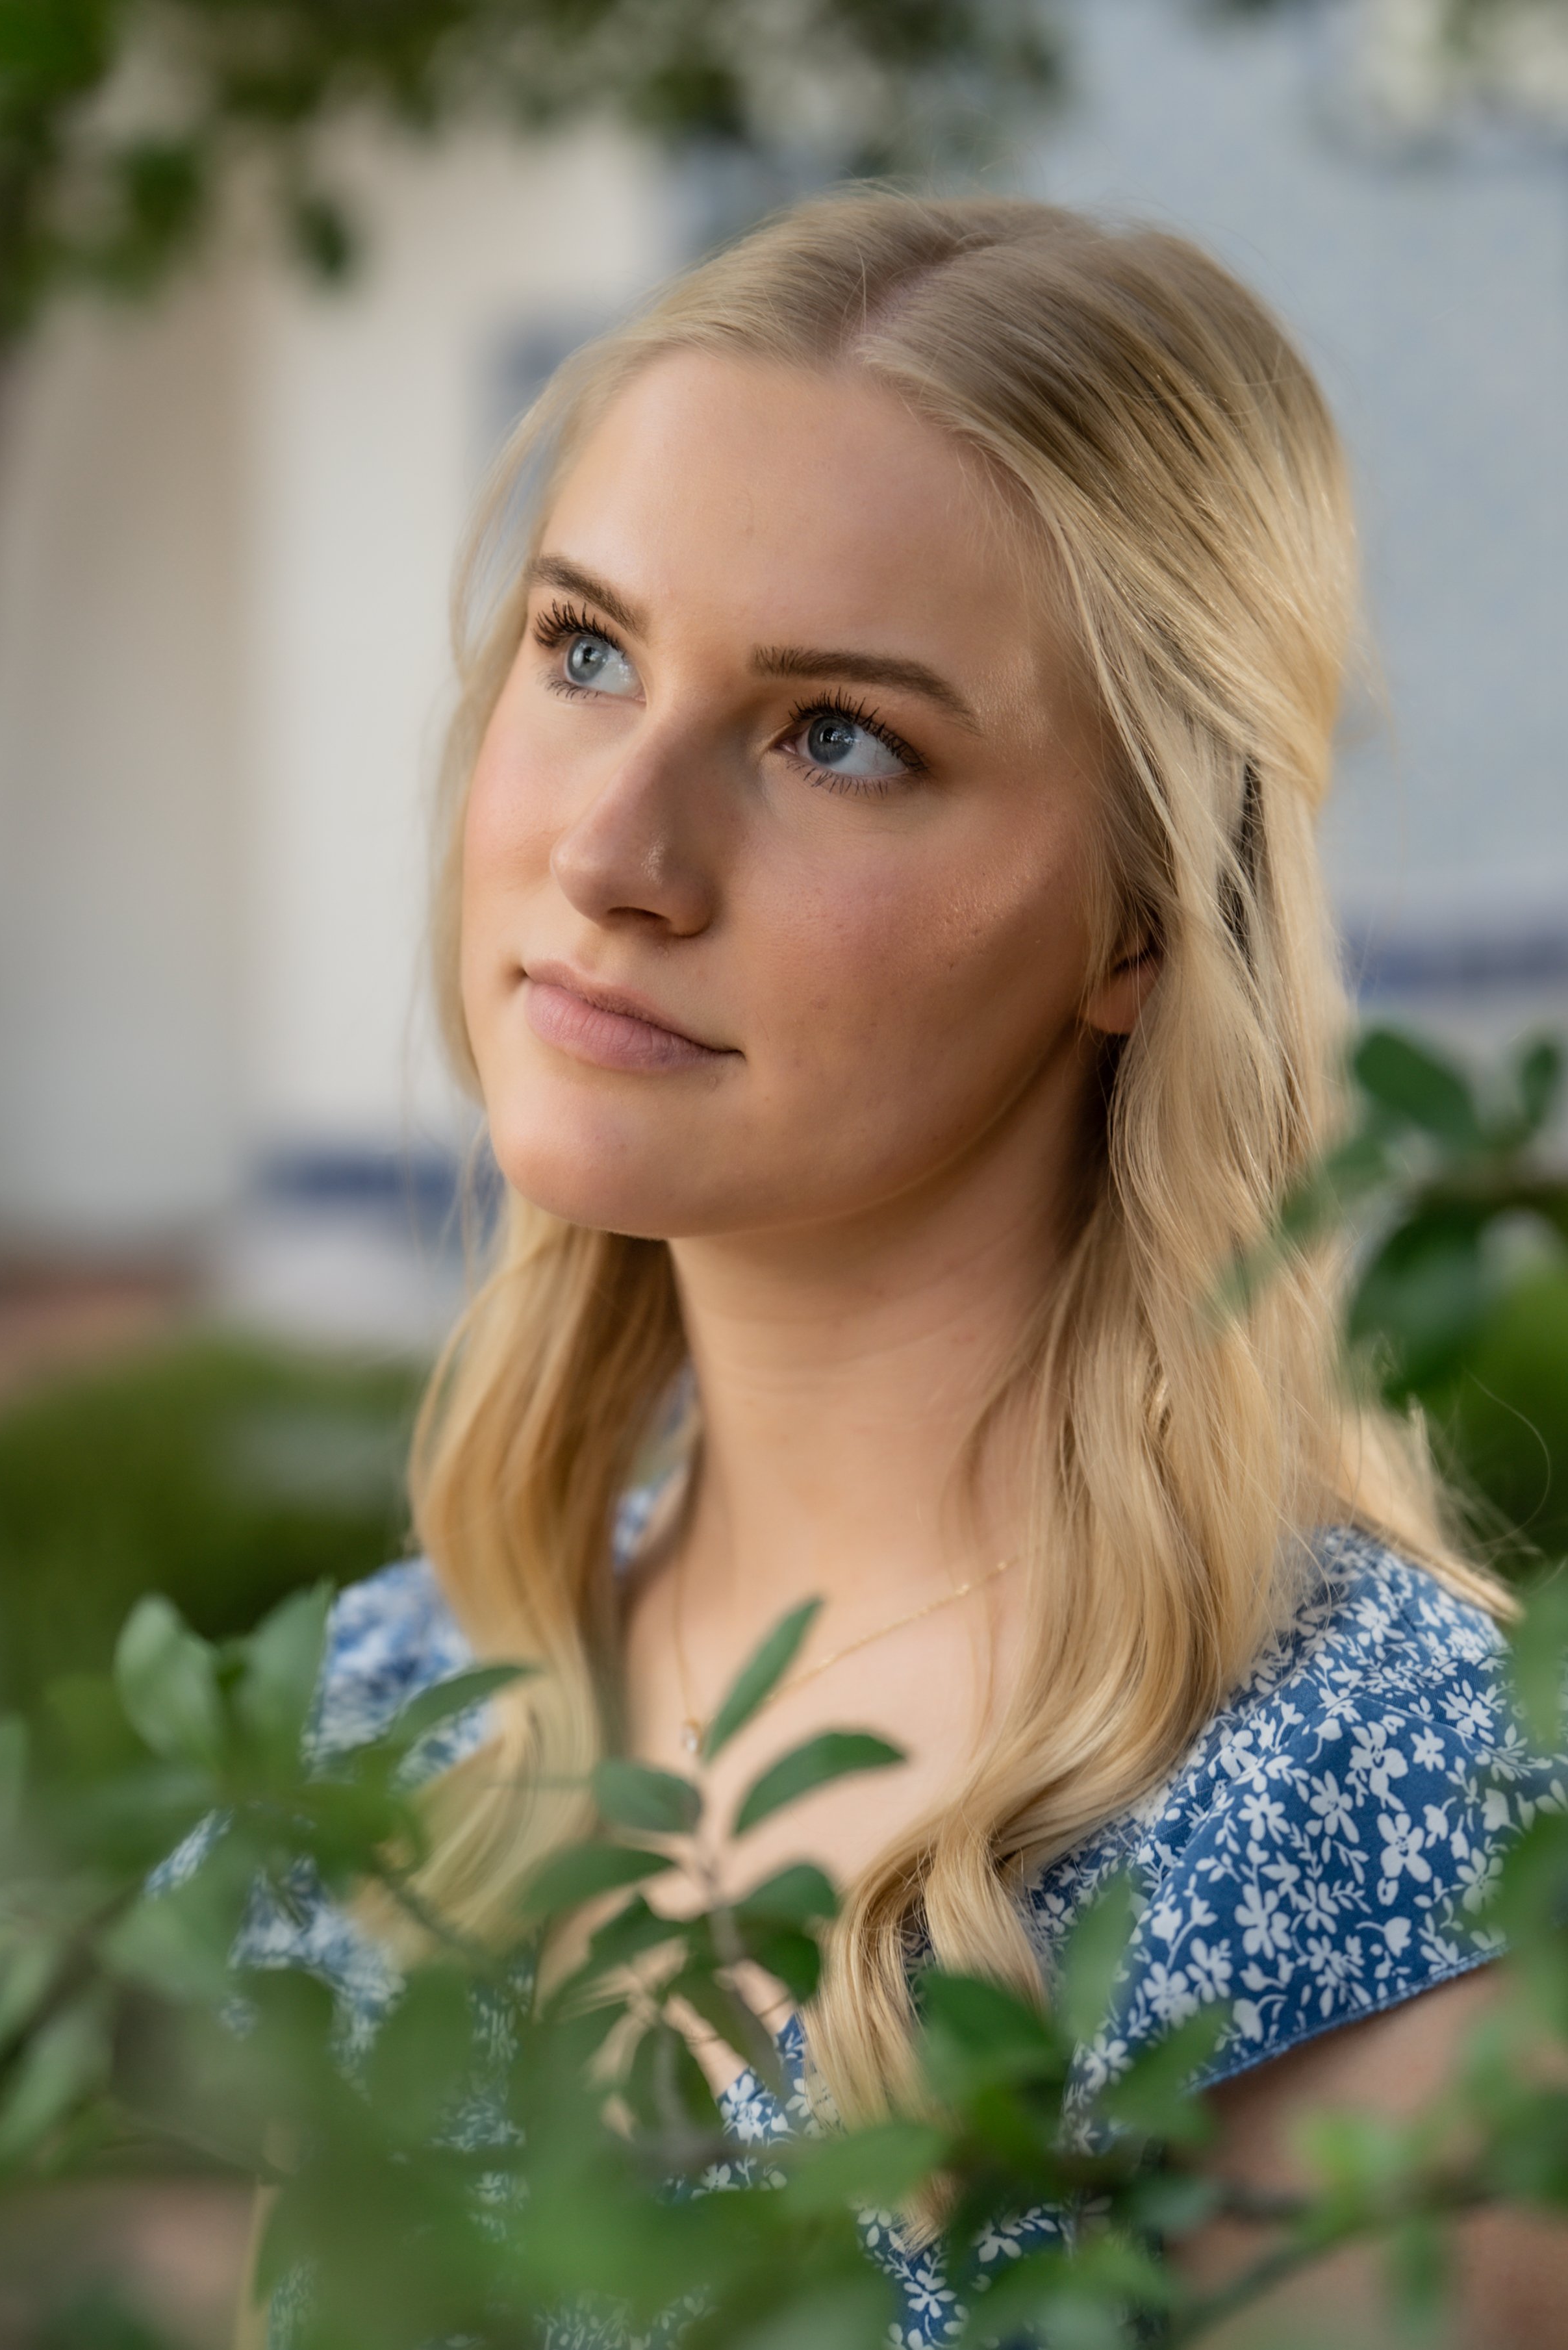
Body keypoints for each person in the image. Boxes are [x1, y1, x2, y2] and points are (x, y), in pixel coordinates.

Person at [244, 194, 1566, 2344]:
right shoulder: (371, 1733)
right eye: (584, 651)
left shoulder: (1391, 1839)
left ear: (1143, 917)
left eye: (834, 734)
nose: (609, 855)